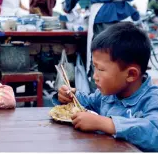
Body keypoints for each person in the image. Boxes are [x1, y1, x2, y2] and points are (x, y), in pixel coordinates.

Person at [54, 22, 158, 152]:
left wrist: (104, 123)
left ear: (131, 74)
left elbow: (154, 132)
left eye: (101, 69)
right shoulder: (108, 95)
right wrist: (70, 96)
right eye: (94, 68)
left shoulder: (152, 99)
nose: (94, 76)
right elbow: (88, 102)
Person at [63, 0, 141, 92]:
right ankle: (129, 102)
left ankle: (100, 103)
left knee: (102, 60)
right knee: (128, 60)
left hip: (103, 15)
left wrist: (67, 6)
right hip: (127, 14)